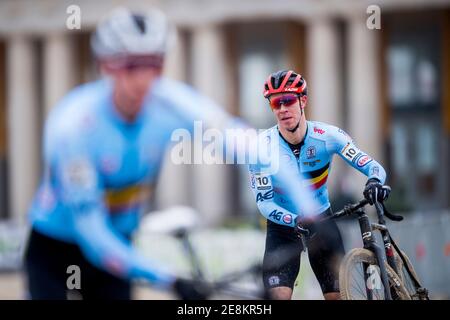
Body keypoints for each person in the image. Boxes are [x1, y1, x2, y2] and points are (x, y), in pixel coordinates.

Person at [24, 7, 240, 300]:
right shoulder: (74, 126)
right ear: (106, 66)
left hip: (120, 241)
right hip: (58, 248)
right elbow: (93, 236)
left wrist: (310, 213)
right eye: (131, 66)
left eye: (155, 65)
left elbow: (246, 143)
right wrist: (169, 280)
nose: (144, 79)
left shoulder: (168, 105)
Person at [248, 70, 391, 300]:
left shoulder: (328, 136)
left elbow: (373, 166)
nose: (283, 109)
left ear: (302, 100)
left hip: (322, 222)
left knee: (336, 295)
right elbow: (264, 202)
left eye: (288, 101)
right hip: (283, 227)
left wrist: (374, 181)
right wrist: (292, 219)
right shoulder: (261, 148)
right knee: (277, 296)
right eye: (276, 103)